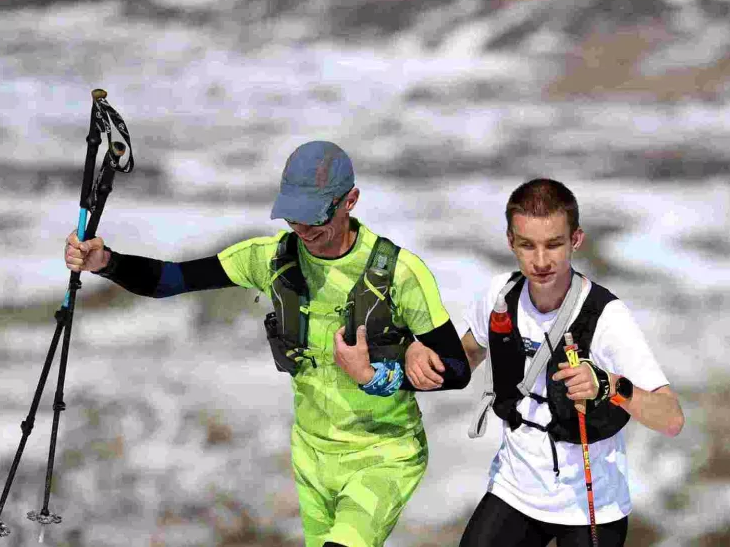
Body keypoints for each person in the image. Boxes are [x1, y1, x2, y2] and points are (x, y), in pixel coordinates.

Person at [65, 140, 471, 547]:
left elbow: (456, 368)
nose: (304, 229)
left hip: (384, 455)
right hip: (312, 457)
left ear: (351, 201)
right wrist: (107, 263)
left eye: (315, 216)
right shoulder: (270, 259)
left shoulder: (400, 273)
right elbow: (170, 280)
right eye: (295, 216)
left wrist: (373, 375)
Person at [405, 178, 685, 547]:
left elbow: (671, 419)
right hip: (514, 491)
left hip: (591, 506)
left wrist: (609, 384)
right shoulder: (499, 295)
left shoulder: (607, 317)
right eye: (527, 245)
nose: (540, 261)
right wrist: (414, 352)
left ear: (576, 240)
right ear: (510, 241)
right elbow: (461, 362)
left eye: (554, 244)